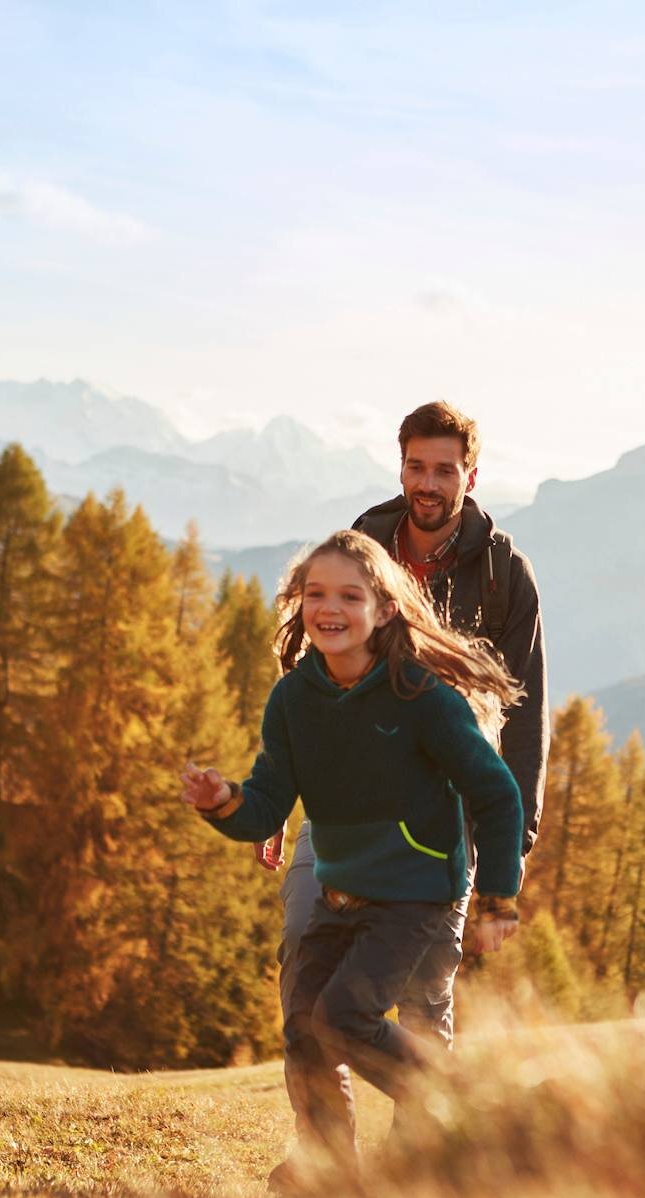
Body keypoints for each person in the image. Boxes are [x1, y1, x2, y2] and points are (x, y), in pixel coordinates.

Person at [181, 530, 524, 1169]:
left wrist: (498, 897)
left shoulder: (422, 697)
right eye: (315, 594)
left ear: (384, 609)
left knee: (341, 1018)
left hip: (415, 896)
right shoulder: (292, 700)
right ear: (298, 605)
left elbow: (496, 795)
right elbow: (266, 803)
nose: (328, 608)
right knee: (304, 1028)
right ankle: (331, 1171)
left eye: (348, 595)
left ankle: (459, 1107)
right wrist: (221, 800)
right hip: (341, 892)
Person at [260, 401, 548, 1100]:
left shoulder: (503, 573)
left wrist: (511, 847)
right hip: (341, 806)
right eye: (416, 466)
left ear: (469, 477)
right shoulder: (365, 540)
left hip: (441, 814)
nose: (427, 483)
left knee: (424, 998)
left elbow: (526, 711)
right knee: (305, 966)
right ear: (401, 466)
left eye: (443, 470)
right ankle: (324, 1163)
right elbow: (311, 677)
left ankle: (428, 1157)